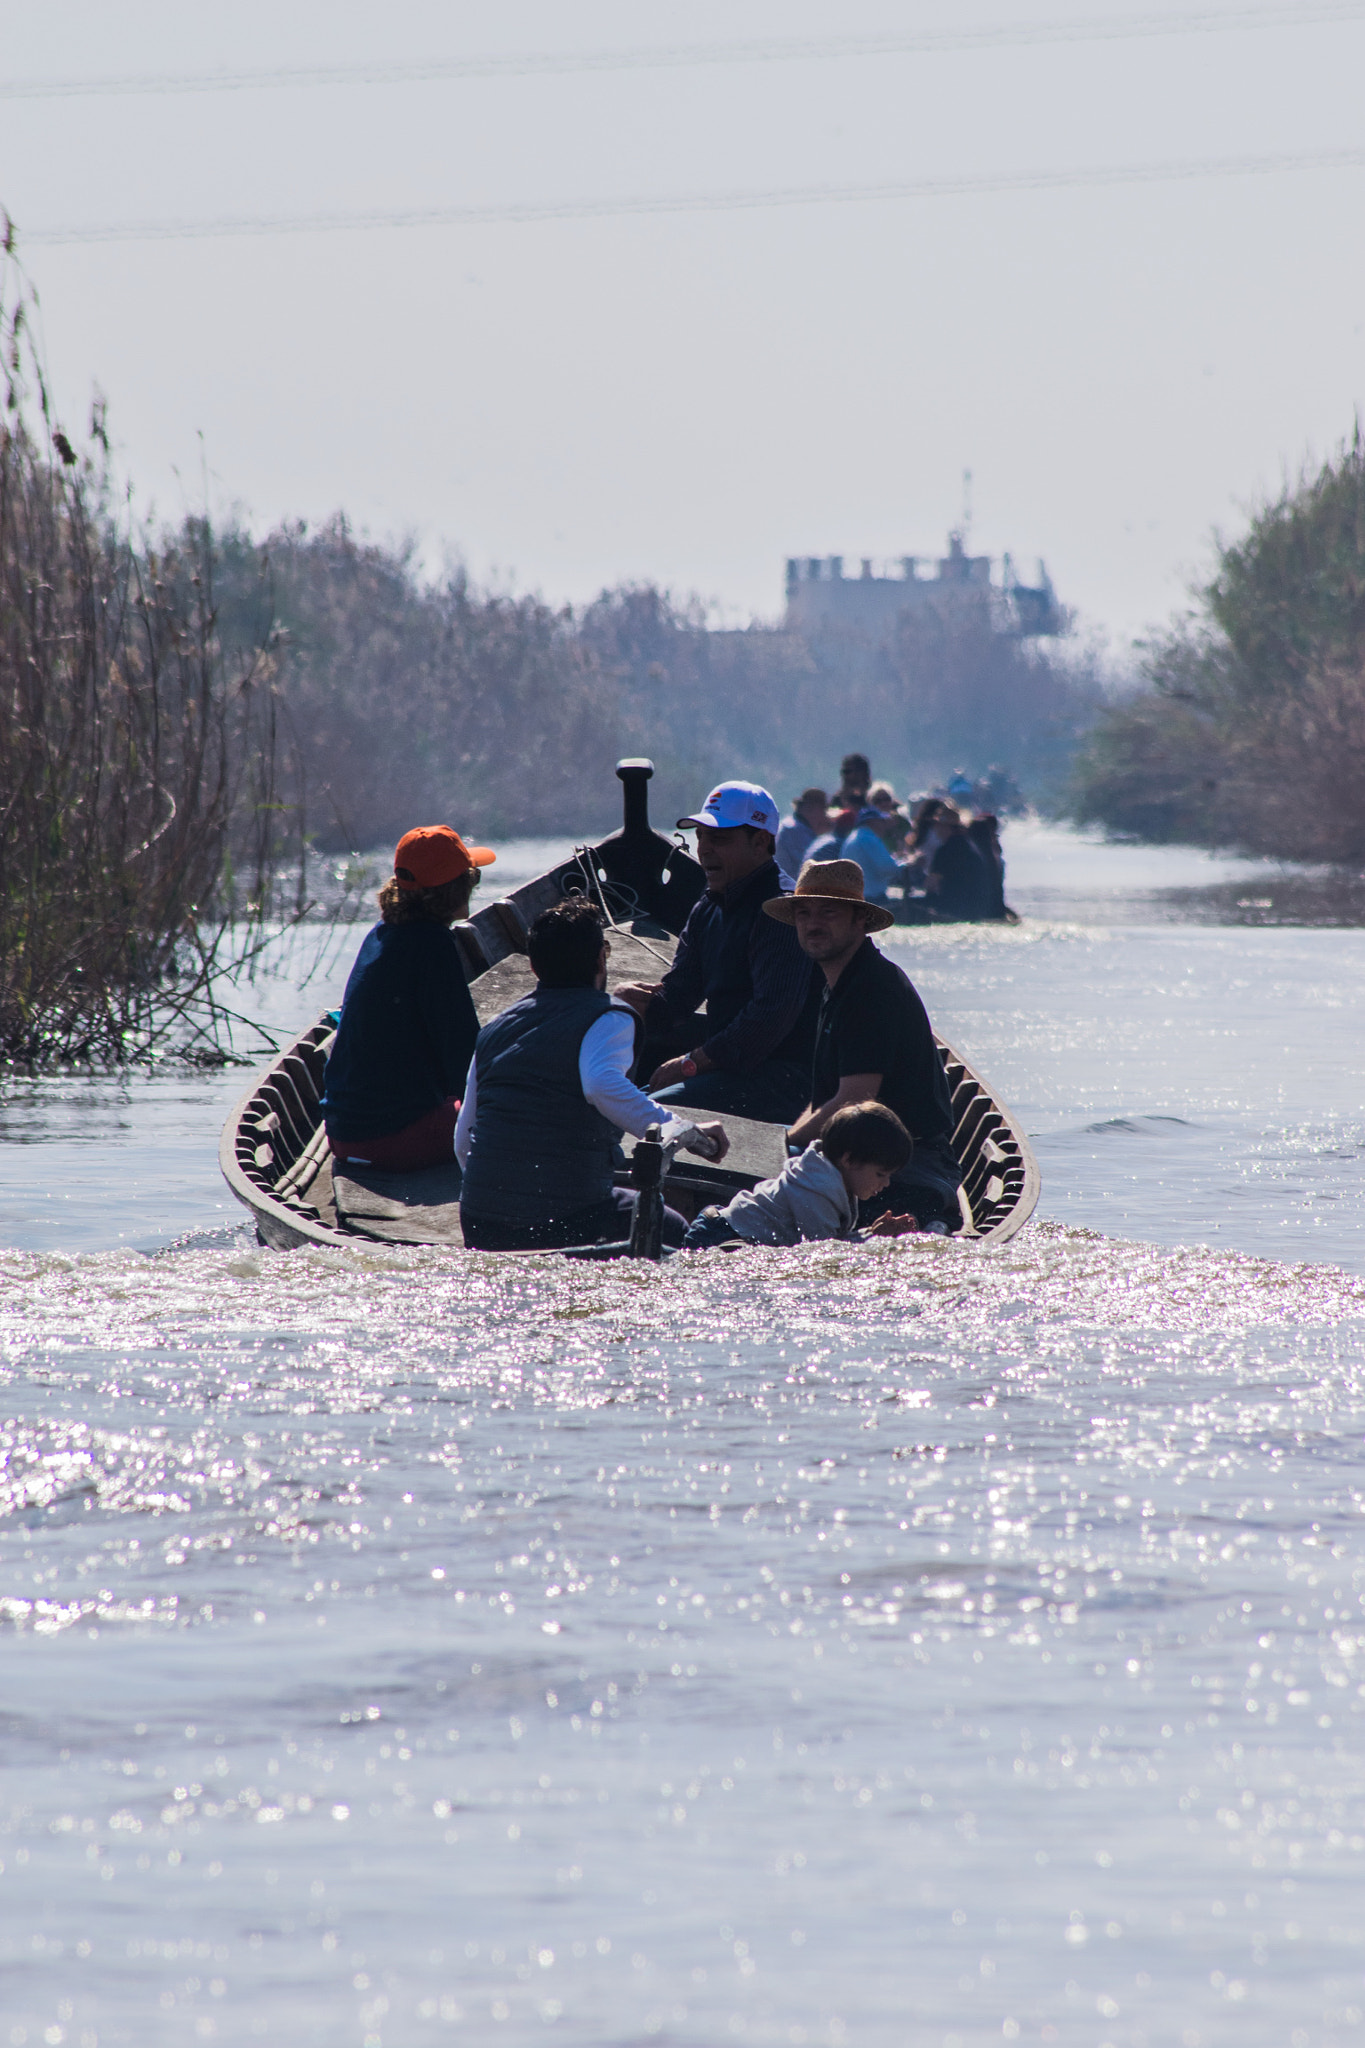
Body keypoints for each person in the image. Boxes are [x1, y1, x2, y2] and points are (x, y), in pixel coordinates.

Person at [456, 899, 728, 1251]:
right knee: (673, 1225)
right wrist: (685, 1131)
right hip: (562, 1220)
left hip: (479, 1223)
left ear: (535, 966)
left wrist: (501, 1202)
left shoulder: (494, 1028)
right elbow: (601, 1084)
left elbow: (463, 1142)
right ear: (601, 957)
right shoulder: (610, 1017)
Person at [770, 859, 965, 1231]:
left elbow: (853, 1100)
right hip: (859, 1150)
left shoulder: (870, 990)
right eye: (804, 913)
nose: (813, 924)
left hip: (906, 1166)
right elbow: (822, 1099)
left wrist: (786, 1145)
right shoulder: (839, 983)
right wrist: (785, 1143)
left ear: (859, 920)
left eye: (828, 912)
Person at [612, 780, 819, 1125]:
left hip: (785, 1082)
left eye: (719, 839)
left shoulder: (781, 911)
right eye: (701, 837)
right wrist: (626, 1005)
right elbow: (677, 998)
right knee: (621, 1098)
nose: (703, 849)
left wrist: (691, 1063)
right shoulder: (708, 907)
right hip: (732, 1072)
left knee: (648, 1115)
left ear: (761, 843)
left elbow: (770, 1017)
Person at [322, 825, 496, 1172]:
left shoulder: (382, 934)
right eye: (470, 879)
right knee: (514, 1116)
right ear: (456, 889)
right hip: (393, 1139)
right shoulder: (433, 946)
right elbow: (464, 1062)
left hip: (342, 1135)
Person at [683, 1101, 922, 1249]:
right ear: (848, 1160)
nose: (887, 1183)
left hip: (724, 1228)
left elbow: (834, 1241)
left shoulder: (829, 1178)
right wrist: (872, 1242)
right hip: (721, 1237)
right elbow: (823, 1255)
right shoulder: (815, 1191)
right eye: (881, 1174)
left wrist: (869, 1233)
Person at [842, 805, 911, 914]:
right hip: (871, 898)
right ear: (873, 822)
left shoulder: (854, 837)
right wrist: (906, 865)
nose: (884, 825)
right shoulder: (870, 838)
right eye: (881, 821)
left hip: (854, 896)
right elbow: (887, 868)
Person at [927, 806, 991, 922]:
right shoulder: (972, 847)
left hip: (952, 908)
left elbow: (931, 885)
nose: (935, 829)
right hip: (977, 909)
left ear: (945, 827)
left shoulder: (944, 851)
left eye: (937, 825)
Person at [775, 788, 830, 882]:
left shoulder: (797, 827)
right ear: (810, 808)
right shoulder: (792, 830)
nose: (825, 815)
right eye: (823, 809)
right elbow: (811, 865)